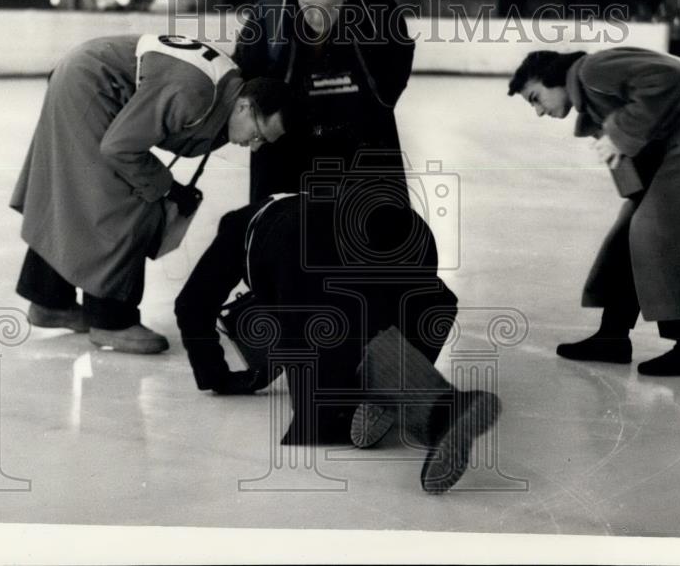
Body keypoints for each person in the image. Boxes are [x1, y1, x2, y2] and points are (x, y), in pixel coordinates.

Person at [174, 193, 499, 493]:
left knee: (322, 413)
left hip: (308, 243)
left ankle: (440, 411)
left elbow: (191, 305)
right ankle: (376, 394)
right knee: (411, 311)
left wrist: (218, 377)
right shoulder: (300, 200)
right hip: (405, 230)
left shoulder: (237, 228)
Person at [10, 34, 292, 354]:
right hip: (90, 85)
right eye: (258, 133)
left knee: (75, 192)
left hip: (86, 73)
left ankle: (50, 300)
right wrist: (165, 186)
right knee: (128, 201)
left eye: (264, 142)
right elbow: (121, 148)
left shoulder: (227, 87)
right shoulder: (195, 94)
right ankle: (112, 321)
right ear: (245, 105)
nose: (254, 146)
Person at [508, 47, 680, 376]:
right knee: (631, 228)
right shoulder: (592, 101)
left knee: (655, 230)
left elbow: (667, 77)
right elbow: (641, 149)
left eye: (535, 98)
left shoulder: (593, 70)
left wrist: (618, 135)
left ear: (553, 78)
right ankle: (612, 337)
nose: (537, 111)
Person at [232, 0, 415, 205]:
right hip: (286, 153)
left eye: (331, 6)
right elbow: (245, 83)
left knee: (372, 235)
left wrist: (369, 115)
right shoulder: (268, 14)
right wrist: (261, 127)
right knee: (285, 239)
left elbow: (397, 67)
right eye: (308, 6)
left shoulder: (378, 8)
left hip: (361, 148)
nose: (318, 17)